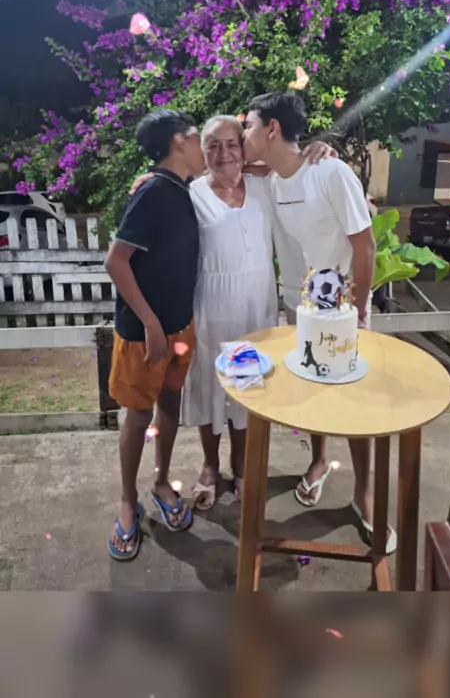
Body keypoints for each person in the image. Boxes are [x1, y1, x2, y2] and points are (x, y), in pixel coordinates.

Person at [129, 115, 333, 510]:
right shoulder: (190, 194)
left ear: (243, 149)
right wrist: (148, 180)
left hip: (254, 307)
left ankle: (241, 463)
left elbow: (293, 166)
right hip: (211, 304)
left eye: (232, 144)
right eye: (213, 145)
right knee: (211, 387)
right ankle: (210, 466)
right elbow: (160, 195)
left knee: (248, 389)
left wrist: (319, 148)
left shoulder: (263, 186)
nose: (224, 153)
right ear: (202, 153)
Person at [243, 92, 397, 553]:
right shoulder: (273, 180)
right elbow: (222, 166)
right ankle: (318, 462)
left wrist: (358, 310)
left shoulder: (331, 173)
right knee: (311, 390)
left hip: (345, 311)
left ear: (272, 129)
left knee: (355, 402)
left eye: (248, 125)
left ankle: (363, 493)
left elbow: (365, 246)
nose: (243, 133)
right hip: (303, 308)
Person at [106, 108, 205, 560]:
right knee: (138, 415)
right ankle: (128, 502)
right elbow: (116, 261)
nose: (205, 147)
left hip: (180, 327)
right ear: (180, 141)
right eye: (199, 138)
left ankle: (161, 481)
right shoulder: (153, 193)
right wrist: (150, 324)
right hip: (144, 335)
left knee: (170, 404)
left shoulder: (181, 189)